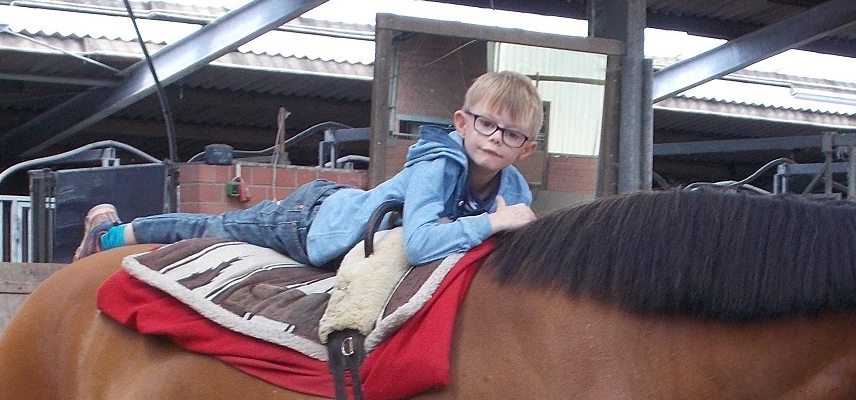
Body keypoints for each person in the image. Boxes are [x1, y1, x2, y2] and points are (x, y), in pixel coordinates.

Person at [73, 71, 542, 268]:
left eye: (512, 134)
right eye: (486, 124)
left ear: (526, 148)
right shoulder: (440, 163)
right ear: (462, 123)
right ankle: (110, 233)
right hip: (313, 222)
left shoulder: (514, 186)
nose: (496, 138)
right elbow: (420, 244)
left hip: (350, 236)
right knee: (214, 228)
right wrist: (494, 222)